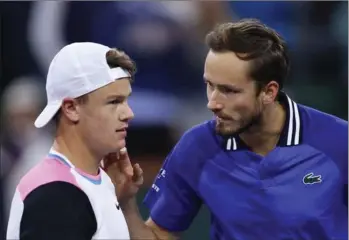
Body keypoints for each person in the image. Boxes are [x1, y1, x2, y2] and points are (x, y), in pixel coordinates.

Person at [142, 19, 348, 239]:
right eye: (209, 85)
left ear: (269, 92)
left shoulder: (340, 141)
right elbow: (158, 232)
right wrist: (124, 204)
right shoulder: (197, 145)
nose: (213, 103)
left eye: (229, 91)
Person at [5, 42, 159, 240]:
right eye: (114, 102)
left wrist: (126, 203)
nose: (129, 113)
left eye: (126, 100)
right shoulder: (55, 195)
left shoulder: (97, 181)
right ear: (71, 108)